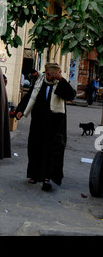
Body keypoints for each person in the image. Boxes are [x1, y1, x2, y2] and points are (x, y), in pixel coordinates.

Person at [15, 62, 76, 191]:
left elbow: (71, 95)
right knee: (35, 147)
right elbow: (29, 97)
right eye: (48, 74)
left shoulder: (60, 84)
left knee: (52, 150)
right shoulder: (39, 81)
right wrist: (20, 110)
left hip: (55, 124)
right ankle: (34, 175)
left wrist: (60, 79)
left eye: (52, 75)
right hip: (38, 121)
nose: (49, 77)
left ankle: (47, 178)